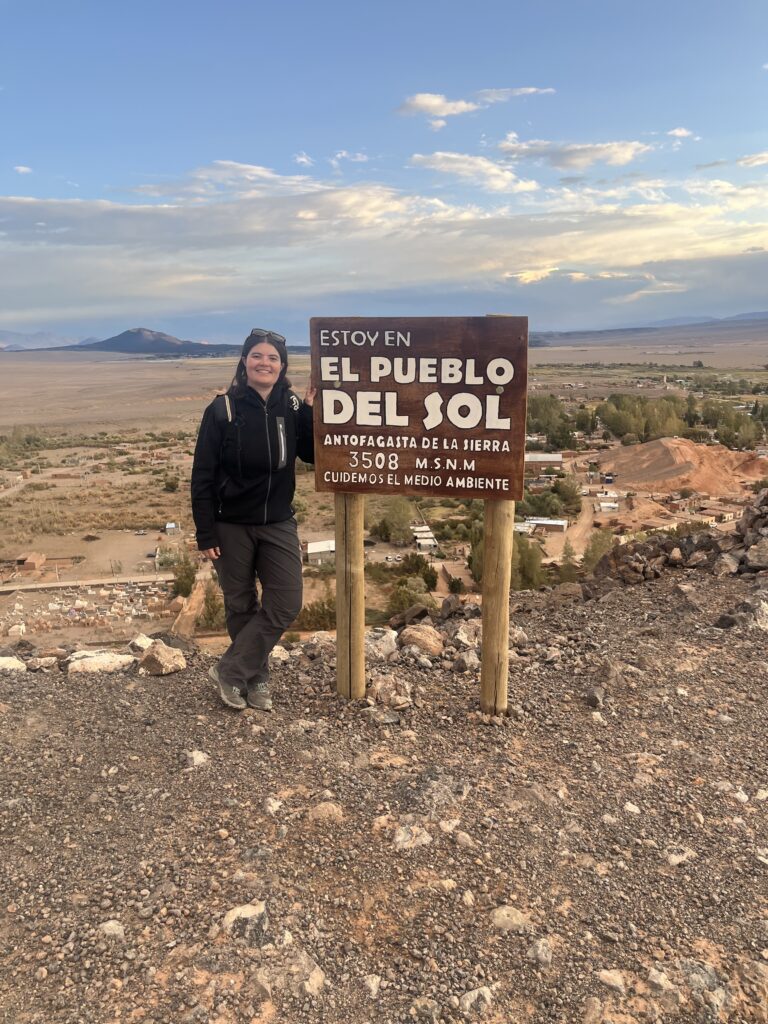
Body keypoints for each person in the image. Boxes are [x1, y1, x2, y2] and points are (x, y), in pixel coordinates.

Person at [191, 329, 315, 711]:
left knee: (286, 602)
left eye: (273, 358)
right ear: (244, 362)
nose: (265, 363)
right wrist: (205, 530)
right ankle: (255, 676)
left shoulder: (291, 407)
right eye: (257, 356)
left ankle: (229, 669)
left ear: (282, 366)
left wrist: (309, 411)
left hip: (278, 520)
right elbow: (203, 474)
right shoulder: (222, 410)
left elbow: (309, 455)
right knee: (240, 603)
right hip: (230, 525)